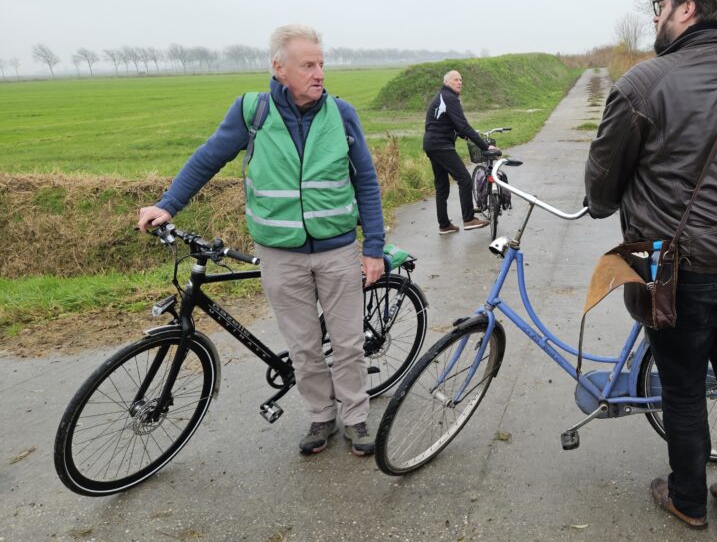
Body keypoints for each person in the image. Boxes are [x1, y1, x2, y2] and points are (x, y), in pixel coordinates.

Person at [585, 0, 717, 530]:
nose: (656, 13)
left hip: (678, 265)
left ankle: (688, 500)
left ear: (688, 10)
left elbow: (601, 186)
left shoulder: (643, 83)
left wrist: (611, 201)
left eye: (662, 2)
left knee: (681, 387)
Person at [137, 24, 385, 457]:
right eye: (308, 65)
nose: (319, 73)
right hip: (280, 254)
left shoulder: (341, 115)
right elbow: (208, 157)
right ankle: (322, 416)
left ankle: (357, 417)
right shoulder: (253, 112)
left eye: (321, 64)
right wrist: (168, 204)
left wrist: (373, 248)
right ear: (279, 68)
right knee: (304, 346)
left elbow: (366, 181)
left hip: (337, 249)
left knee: (347, 344)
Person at [423, 70, 496, 234]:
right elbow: (463, 125)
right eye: (456, 79)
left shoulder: (443, 97)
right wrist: (485, 146)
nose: (460, 82)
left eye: (461, 80)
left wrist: (466, 136)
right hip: (441, 145)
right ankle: (469, 219)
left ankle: (444, 225)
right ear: (447, 82)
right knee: (464, 179)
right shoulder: (449, 98)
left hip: (432, 144)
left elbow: (453, 125)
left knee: (442, 186)